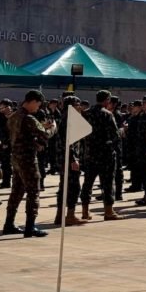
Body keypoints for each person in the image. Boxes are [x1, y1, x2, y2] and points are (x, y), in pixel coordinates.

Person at [2, 90, 56, 237]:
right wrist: (52, 128)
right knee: (33, 192)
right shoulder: (28, 118)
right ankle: (30, 227)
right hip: (28, 159)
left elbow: (19, 135)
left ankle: (9, 223)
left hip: (16, 158)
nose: (38, 108)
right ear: (32, 101)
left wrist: (34, 140)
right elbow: (45, 134)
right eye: (38, 105)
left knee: (16, 192)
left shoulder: (13, 116)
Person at [79, 90, 122, 221]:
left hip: (90, 153)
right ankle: (108, 211)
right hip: (105, 154)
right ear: (107, 100)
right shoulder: (107, 114)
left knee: (88, 183)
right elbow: (115, 135)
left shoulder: (86, 114)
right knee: (108, 183)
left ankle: (85, 211)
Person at [54, 96, 86, 226]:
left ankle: (60, 215)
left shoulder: (65, 118)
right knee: (73, 187)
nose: (79, 107)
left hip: (64, 158)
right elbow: (68, 142)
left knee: (64, 187)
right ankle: (70, 215)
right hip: (68, 159)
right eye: (77, 104)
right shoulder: (69, 120)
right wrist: (73, 159)